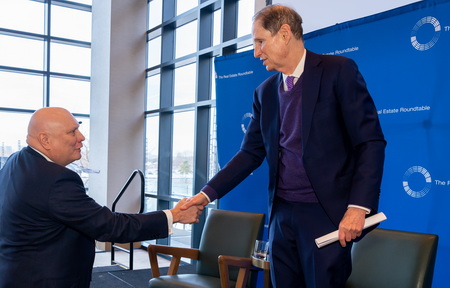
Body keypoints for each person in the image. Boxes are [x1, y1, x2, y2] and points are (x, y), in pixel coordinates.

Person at [182, 4, 386, 288]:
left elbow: (370, 142)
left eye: (260, 41)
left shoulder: (337, 71)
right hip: (282, 215)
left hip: (326, 215)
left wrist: (358, 207)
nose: (256, 52)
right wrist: (204, 196)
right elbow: (249, 154)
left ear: (285, 33)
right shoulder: (264, 92)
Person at [0, 107, 203, 288]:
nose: (81, 137)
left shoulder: (16, 161)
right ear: (45, 139)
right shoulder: (55, 179)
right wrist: (174, 215)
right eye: (72, 132)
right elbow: (110, 226)